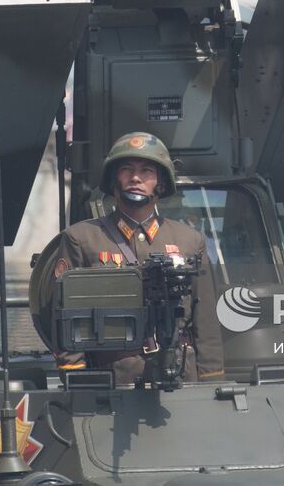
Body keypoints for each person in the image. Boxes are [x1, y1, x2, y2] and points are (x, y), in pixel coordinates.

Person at [50, 132, 223, 386]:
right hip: (113, 377)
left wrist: (211, 382)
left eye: (147, 171)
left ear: (161, 183)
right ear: (113, 180)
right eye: (126, 170)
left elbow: (205, 321)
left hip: (179, 374)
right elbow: (64, 316)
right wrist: (77, 381)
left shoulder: (189, 241)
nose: (135, 178)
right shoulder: (81, 239)